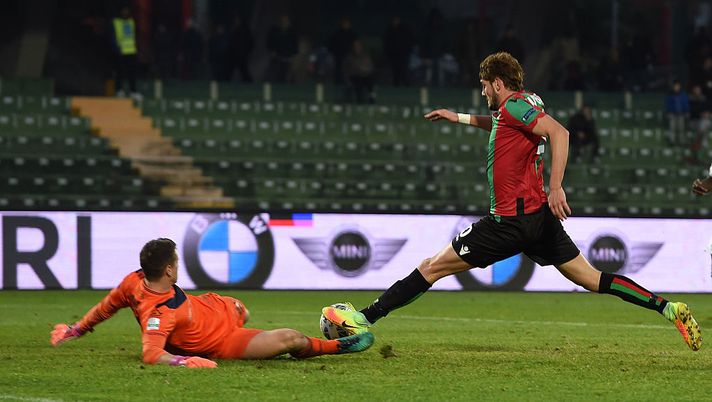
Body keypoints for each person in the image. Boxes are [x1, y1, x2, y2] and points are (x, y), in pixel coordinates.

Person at [323, 52, 702, 352]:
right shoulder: (520, 105)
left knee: (432, 267)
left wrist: (556, 186)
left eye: (485, 86)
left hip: (510, 222)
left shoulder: (514, 106)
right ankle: (668, 308)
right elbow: (503, 123)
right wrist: (457, 117)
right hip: (538, 221)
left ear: (498, 83)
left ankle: (364, 319)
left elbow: (560, 132)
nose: (483, 92)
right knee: (593, 279)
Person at [51, 238, 373, 368]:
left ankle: (234, 310)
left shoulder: (133, 281)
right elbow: (150, 353)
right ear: (168, 269)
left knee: (240, 308)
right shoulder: (159, 314)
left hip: (214, 307)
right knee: (290, 338)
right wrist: (183, 362)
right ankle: (342, 346)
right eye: (175, 262)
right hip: (223, 341)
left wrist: (76, 329)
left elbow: (105, 307)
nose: (178, 265)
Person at [112, 6, 138, 97]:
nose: (125, 12)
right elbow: (114, 36)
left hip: (131, 51)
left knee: (132, 72)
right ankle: (119, 90)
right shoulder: (116, 22)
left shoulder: (131, 22)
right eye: (124, 10)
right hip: (121, 51)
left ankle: (133, 91)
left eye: (127, 10)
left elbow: (133, 36)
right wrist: (116, 48)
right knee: (120, 72)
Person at [665, 80, 690, 145]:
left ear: (680, 86)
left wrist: (686, 111)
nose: (676, 87)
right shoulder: (670, 94)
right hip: (672, 114)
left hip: (681, 114)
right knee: (672, 127)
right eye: (675, 86)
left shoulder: (683, 94)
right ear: (673, 87)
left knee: (681, 128)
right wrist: (669, 112)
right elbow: (668, 104)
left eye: (677, 86)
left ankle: (682, 141)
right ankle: (672, 141)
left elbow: (685, 104)